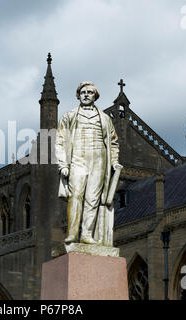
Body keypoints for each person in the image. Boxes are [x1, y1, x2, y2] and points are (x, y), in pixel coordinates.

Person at [56, 81, 120, 244]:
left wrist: (114, 161)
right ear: (78, 95)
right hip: (77, 158)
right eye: (83, 92)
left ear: (95, 96)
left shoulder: (105, 119)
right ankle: (72, 233)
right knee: (76, 196)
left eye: (90, 92)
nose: (86, 94)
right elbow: (60, 140)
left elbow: (113, 142)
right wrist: (63, 164)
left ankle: (86, 234)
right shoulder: (69, 116)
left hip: (99, 160)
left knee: (93, 198)